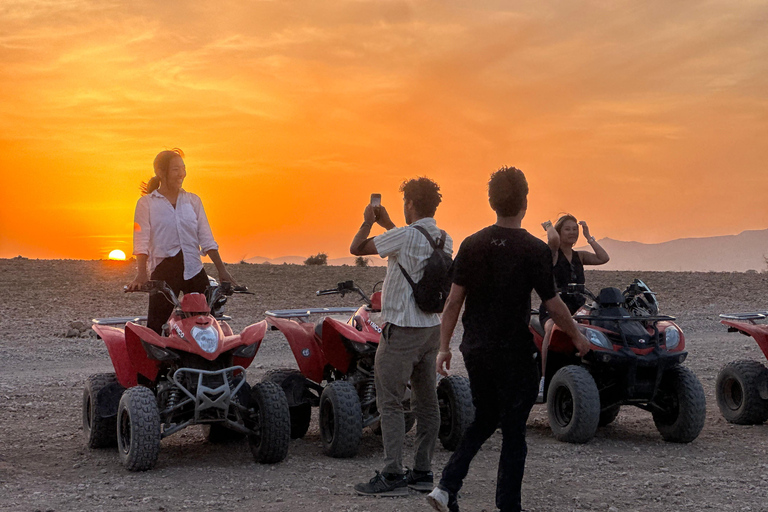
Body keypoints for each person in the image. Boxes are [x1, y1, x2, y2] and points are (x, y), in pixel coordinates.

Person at [427, 167, 591, 512]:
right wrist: (577, 336)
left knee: (486, 418)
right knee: (514, 431)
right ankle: (508, 507)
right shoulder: (533, 249)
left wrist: (444, 347)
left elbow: (453, 301)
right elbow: (553, 304)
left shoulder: (472, 244)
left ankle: (446, 486)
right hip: (514, 352)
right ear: (525, 203)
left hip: (476, 349)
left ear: (491, 202)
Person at [349, 177, 453, 497]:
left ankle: (392, 472)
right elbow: (409, 244)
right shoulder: (445, 238)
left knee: (390, 402)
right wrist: (389, 224)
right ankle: (423, 471)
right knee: (426, 402)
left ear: (409, 203)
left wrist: (369, 222)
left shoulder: (404, 236)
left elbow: (356, 248)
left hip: (401, 331)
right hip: (430, 329)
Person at [127, 148, 237, 334]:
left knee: (204, 324)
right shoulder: (147, 203)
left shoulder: (193, 201)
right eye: (175, 169)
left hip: (194, 268)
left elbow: (207, 238)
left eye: (183, 169)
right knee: (155, 326)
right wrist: (141, 274)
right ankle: (159, 362)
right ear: (160, 172)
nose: (182, 174)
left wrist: (222, 271)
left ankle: (203, 362)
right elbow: (141, 239)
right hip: (164, 271)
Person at [537, 214, 609, 401]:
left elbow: (604, 258)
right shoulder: (553, 254)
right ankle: (544, 379)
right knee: (551, 328)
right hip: (554, 307)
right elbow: (552, 240)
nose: (572, 232)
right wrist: (548, 226)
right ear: (560, 232)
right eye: (568, 229)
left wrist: (589, 237)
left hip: (578, 307)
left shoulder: (580, 256)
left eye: (574, 229)